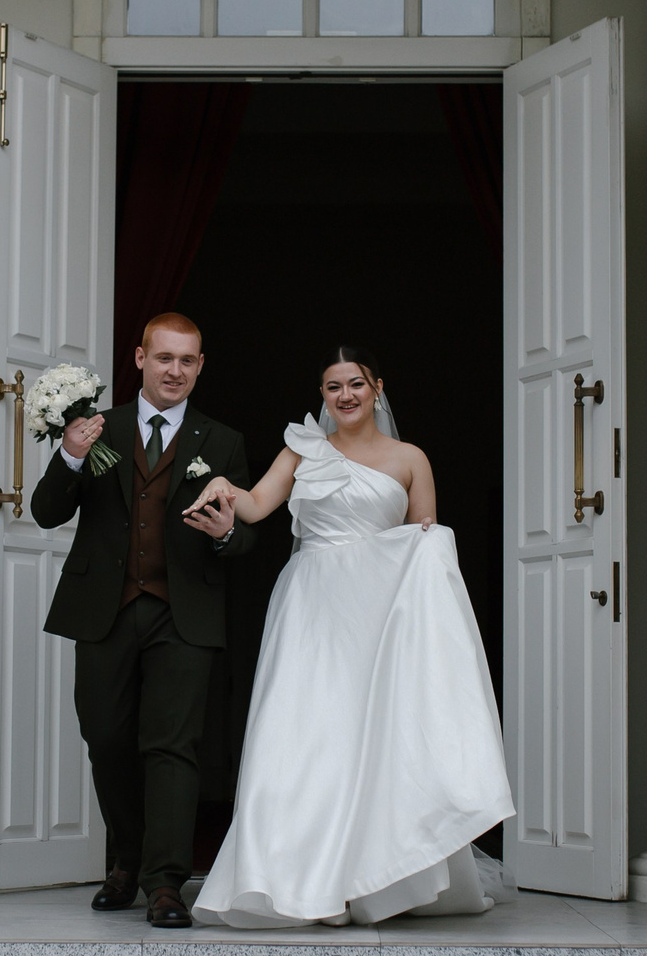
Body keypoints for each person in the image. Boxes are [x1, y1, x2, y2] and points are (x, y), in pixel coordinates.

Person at [185, 346, 516, 925]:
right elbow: (257, 505)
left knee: (378, 736)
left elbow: (426, 545)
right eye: (334, 386)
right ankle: (294, 882)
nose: (345, 395)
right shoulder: (302, 448)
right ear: (322, 393)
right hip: (312, 606)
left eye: (356, 384)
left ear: (377, 388)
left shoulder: (410, 458)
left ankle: (380, 879)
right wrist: (223, 489)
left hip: (382, 614)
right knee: (302, 733)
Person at [30, 313, 257, 928]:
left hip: (184, 615)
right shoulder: (98, 428)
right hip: (104, 609)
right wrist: (70, 456)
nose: (174, 371)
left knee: (172, 747)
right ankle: (125, 861)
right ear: (139, 359)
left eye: (186, 360)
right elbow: (46, 513)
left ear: (200, 366)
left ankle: (164, 883)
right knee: (105, 737)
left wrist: (225, 532)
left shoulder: (222, 440)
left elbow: (245, 540)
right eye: (164, 358)